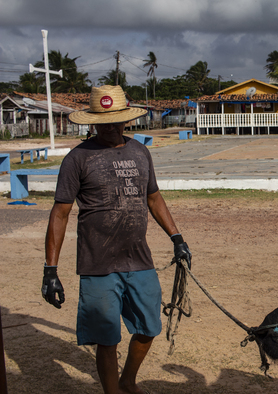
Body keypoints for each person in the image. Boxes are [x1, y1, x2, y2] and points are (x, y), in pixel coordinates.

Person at [42, 85, 191, 394]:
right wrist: (50, 271)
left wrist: (177, 237)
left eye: (116, 120)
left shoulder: (140, 152)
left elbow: (154, 198)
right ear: (92, 122)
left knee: (149, 328)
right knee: (107, 337)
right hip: (98, 264)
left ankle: (128, 380)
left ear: (127, 120)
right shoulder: (77, 158)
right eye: (103, 122)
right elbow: (60, 213)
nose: (110, 127)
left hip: (139, 260)